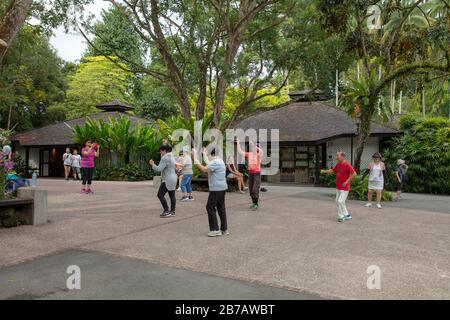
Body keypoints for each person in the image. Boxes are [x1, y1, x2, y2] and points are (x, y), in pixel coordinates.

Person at [195, 147, 228, 237]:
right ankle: (224, 229)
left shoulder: (215, 162)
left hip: (216, 189)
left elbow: (204, 169)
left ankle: (215, 229)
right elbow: (209, 164)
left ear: (211, 155)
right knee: (221, 208)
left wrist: (195, 159)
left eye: (208, 155)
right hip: (222, 188)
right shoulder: (219, 161)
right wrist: (204, 154)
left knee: (210, 207)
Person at [321, 151, 357, 223]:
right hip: (338, 186)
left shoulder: (347, 165)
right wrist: (325, 171)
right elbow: (333, 170)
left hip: (345, 188)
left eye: (338, 155)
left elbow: (354, 174)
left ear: (342, 156)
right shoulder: (338, 164)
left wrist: (346, 182)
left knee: (340, 201)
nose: (336, 157)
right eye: (336, 155)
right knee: (338, 201)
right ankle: (347, 214)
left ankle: (341, 216)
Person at [150, 145, 177, 218]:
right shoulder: (172, 156)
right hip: (174, 178)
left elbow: (159, 169)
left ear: (164, 150)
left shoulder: (165, 158)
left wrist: (152, 164)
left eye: (161, 151)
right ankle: (172, 211)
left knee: (160, 195)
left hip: (167, 179)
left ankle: (166, 211)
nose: (160, 152)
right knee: (172, 195)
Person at [236, 138, 263, 210]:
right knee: (251, 189)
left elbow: (261, 152)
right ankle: (254, 203)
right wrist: (238, 143)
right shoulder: (249, 154)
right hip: (251, 173)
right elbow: (240, 152)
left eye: (252, 146)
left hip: (257, 173)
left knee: (255, 189)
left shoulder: (258, 155)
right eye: (250, 146)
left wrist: (254, 145)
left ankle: (256, 204)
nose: (251, 148)